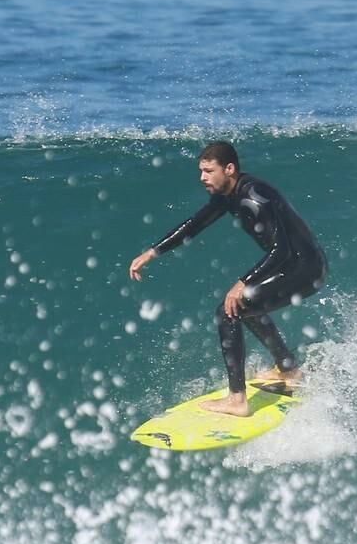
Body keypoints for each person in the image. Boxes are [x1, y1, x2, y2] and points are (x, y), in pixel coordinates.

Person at [128, 141, 328, 416]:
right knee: (245, 307)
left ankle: (238, 400)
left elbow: (281, 250)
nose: (202, 177)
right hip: (293, 264)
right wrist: (152, 252)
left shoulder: (253, 200)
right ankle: (289, 370)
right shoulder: (229, 194)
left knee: (228, 310)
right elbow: (195, 224)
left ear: (229, 169)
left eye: (209, 171)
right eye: (201, 171)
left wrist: (243, 282)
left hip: (305, 268)